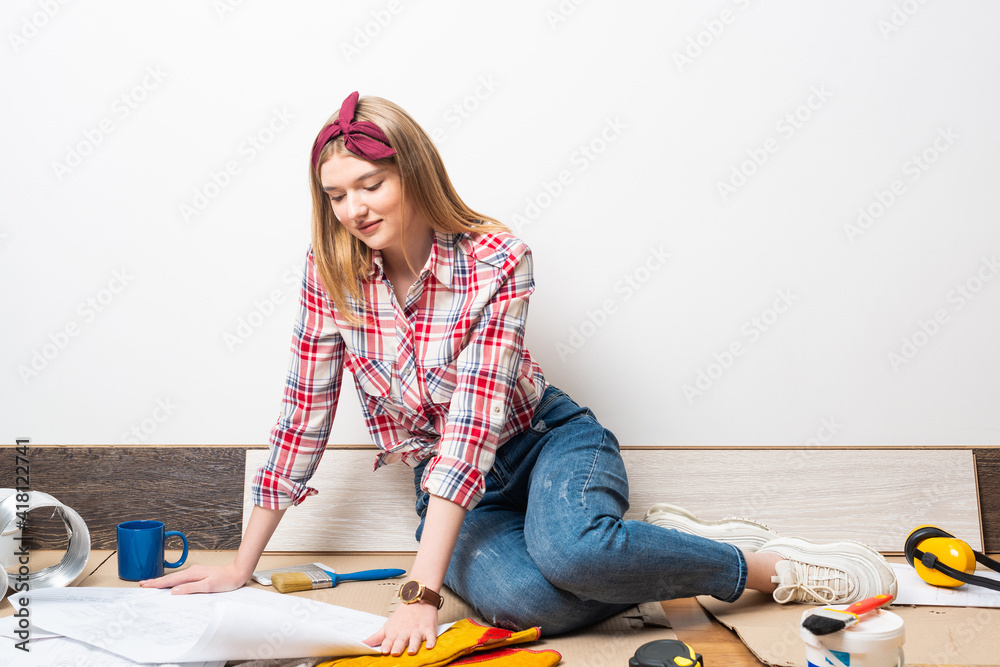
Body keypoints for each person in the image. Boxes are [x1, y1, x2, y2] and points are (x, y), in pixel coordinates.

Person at [143, 91, 896, 657]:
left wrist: (421, 591)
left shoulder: (499, 259)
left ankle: (756, 564)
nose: (352, 209)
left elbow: (472, 426)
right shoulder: (330, 272)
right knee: (525, 602)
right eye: (336, 195)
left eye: (369, 184)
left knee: (572, 552)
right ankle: (639, 546)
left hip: (543, 442)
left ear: (410, 169)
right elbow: (302, 413)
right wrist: (242, 566)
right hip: (451, 491)